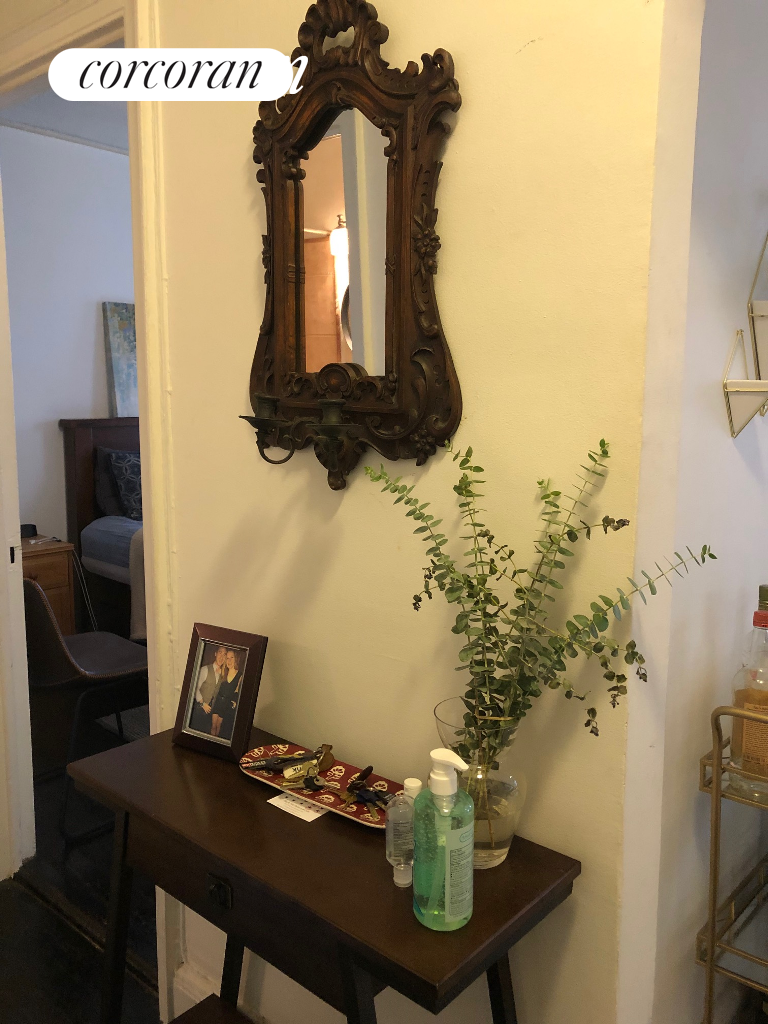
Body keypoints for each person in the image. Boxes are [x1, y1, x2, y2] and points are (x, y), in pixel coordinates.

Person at [187, 645, 227, 734]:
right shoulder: (205, 669)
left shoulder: (222, 674)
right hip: (199, 709)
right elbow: (195, 688)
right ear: (215, 654)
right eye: (220, 653)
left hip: (210, 711)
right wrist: (202, 704)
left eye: (224, 655)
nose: (222, 657)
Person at [210, 648, 244, 742]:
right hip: (218, 701)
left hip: (226, 704)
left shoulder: (240, 675)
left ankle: (216, 743)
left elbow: (237, 691)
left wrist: (234, 701)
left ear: (236, 659)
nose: (229, 660)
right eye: (227, 658)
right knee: (213, 725)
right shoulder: (223, 671)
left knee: (219, 726)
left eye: (231, 658)